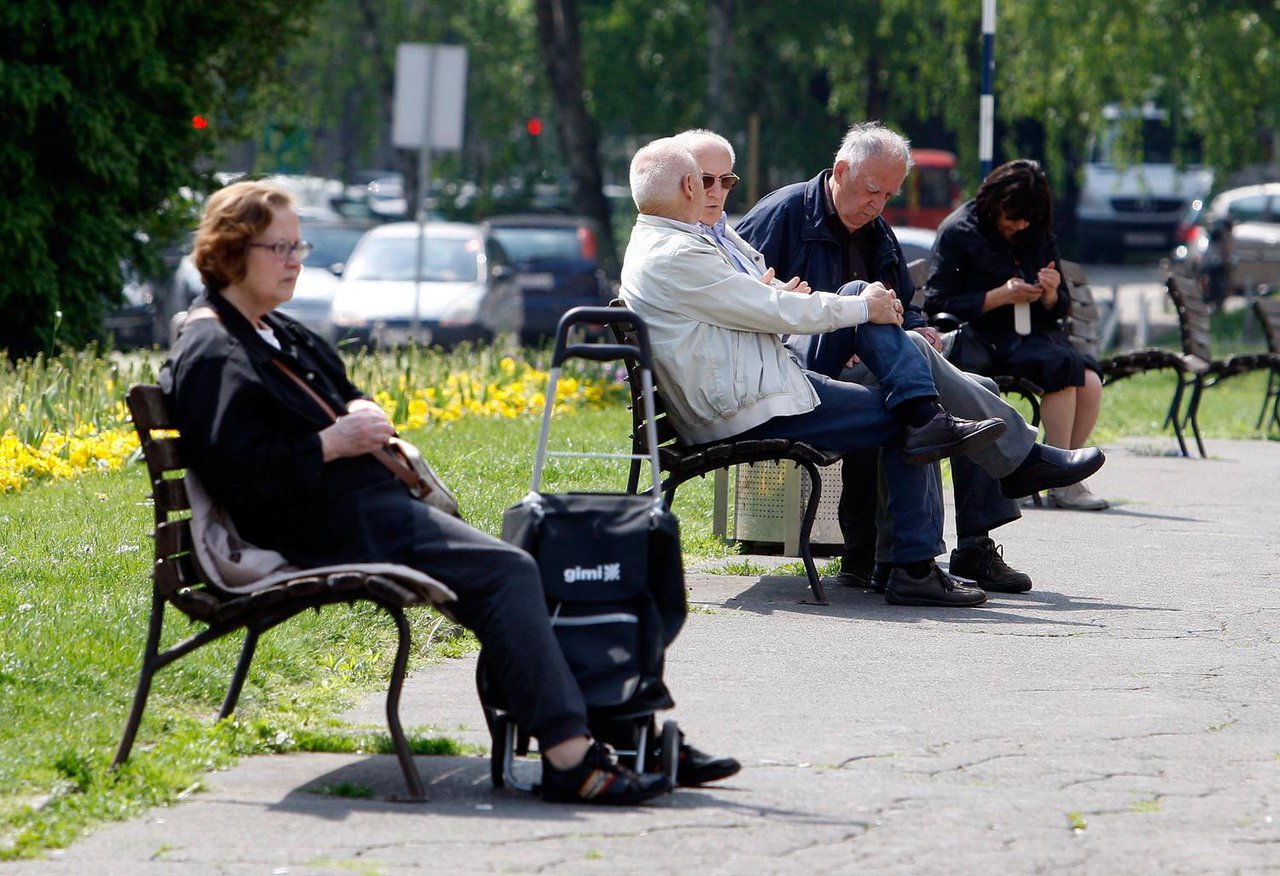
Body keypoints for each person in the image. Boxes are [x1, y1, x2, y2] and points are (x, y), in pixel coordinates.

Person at [160, 179, 738, 805]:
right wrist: (335, 442)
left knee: (543, 567)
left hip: (363, 509)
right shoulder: (217, 347)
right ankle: (573, 758)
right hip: (327, 524)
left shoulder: (269, 330)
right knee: (512, 572)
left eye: (298, 246)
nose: (297, 259)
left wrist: (358, 415)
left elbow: (339, 391)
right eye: (281, 248)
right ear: (230, 250)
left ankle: (627, 730)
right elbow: (241, 474)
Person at [619, 137, 1104, 607]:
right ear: (688, 187)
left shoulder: (668, 244)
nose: (717, 191)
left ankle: (964, 488)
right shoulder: (683, 252)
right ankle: (915, 566)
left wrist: (848, 305)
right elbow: (768, 308)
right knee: (911, 420)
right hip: (752, 402)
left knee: (874, 317)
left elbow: (755, 304)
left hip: (759, 381)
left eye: (726, 180)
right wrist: (850, 309)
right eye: (707, 181)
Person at [726, 124, 1053, 591]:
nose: (878, 205)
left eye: (889, 196)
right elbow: (741, 301)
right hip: (796, 371)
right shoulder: (783, 213)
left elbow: (905, 301)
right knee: (918, 398)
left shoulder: (875, 229)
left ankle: (970, 548)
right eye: (871, 191)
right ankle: (898, 554)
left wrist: (916, 322)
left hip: (865, 365)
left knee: (979, 389)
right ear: (841, 171)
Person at [923, 159, 1109, 510]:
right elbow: (937, 302)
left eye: (1027, 220)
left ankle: (1063, 473)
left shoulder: (1035, 232)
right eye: (1012, 218)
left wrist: (1052, 293)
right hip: (981, 336)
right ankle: (1058, 477)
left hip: (1031, 336)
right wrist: (998, 297)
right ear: (994, 205)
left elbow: (1060, 306)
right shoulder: (960, 231)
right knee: (1063, 368)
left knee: (1090, 381)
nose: (1019, 226)